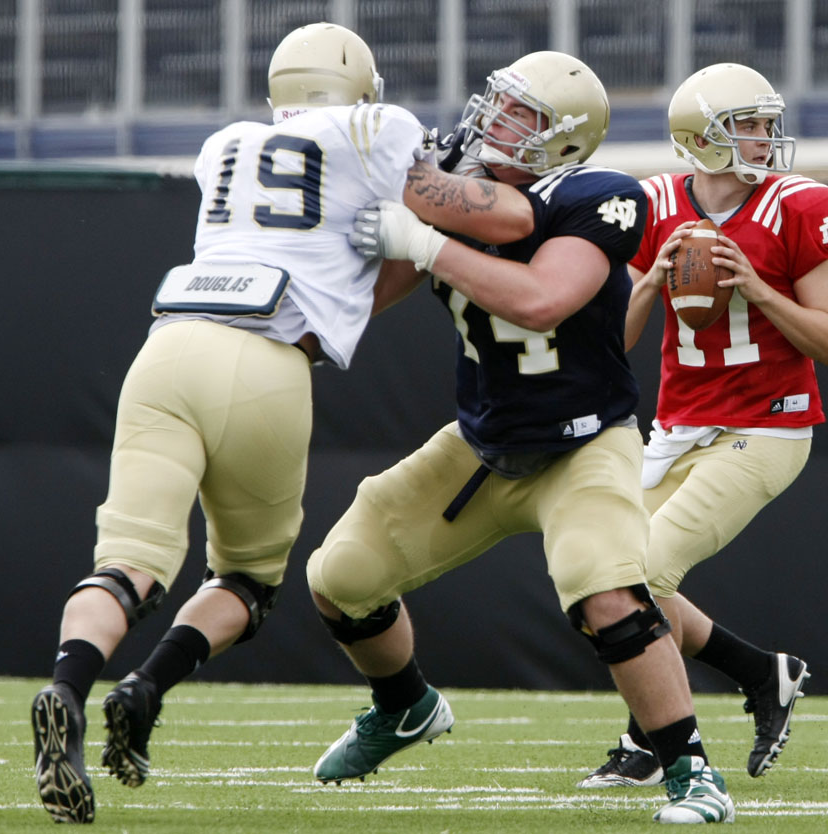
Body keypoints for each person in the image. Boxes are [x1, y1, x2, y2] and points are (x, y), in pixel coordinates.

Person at [29, 22, 533, 825]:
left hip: (166, 349)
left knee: (128, 563)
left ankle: (66, 684)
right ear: (361, 89)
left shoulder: (225, 143)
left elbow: (341, 262)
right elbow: (494, 222)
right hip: (266, 365)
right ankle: (147, 687)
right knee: (245, 580)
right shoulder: (381, 127)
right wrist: (441, 182)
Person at [307, 51, 735, 824]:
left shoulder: (602, 194)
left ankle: (692, 774)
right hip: (483, 445)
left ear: (566, 142)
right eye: (496, 104)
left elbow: (542, 301)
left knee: (607, 590)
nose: (493, 123)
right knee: (341, 576)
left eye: (521, 116)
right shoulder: (459, 188)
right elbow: (369, 299)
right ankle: (403, 705)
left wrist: (428, 240)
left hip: (583, 444)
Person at [576, 63, 828, 789]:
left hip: (767, 427)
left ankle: (654, 745)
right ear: (704, 139)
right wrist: (645, 281)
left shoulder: (797, 207)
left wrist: (760, 289)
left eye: (766, 123)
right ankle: (762, 673)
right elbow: (612, 342)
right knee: (595, 581)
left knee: (641, 576)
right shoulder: (654, 203)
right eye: (750, 125)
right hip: (676, 426)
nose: (766, 137)